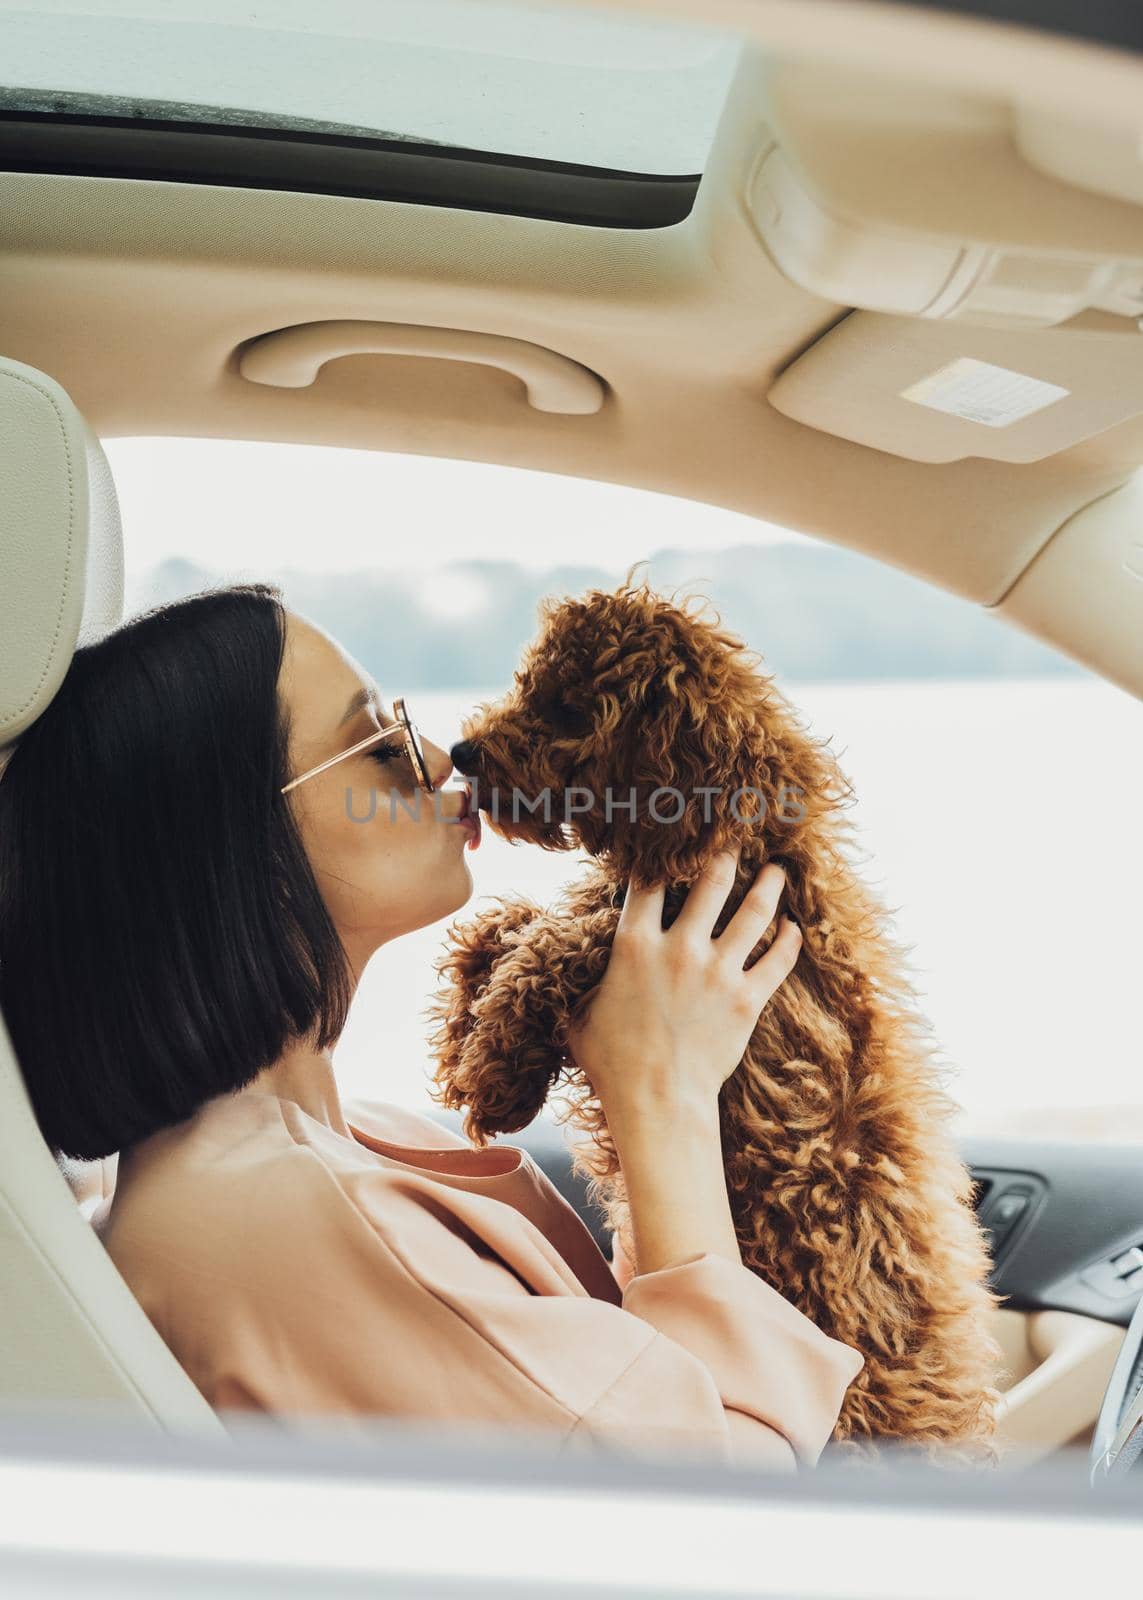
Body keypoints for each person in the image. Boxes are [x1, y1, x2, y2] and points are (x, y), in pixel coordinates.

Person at [0, 582, 862, 1469]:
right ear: (228, 845)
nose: (442, 759)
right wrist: (664, 1098)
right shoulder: (286, 1222)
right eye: (380, 745)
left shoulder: (340, 1147)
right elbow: (732, 1512)